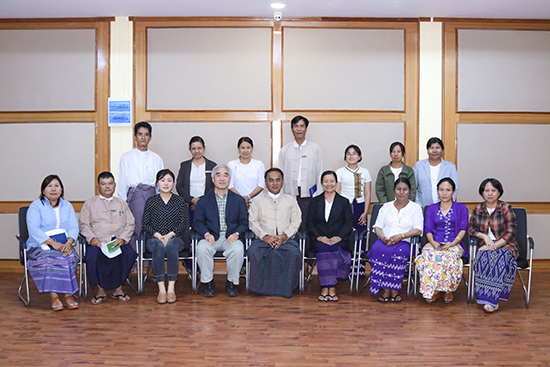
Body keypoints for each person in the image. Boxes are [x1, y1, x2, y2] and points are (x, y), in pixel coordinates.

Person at [79, 172, 137, 305]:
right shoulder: (89, 203)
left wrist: (123, 238)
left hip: (118, 242)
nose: (107, 187)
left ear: (114, 185)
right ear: (98, 186)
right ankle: (100, 291)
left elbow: (130, 223)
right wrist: (92, 238)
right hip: (98, 242)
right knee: (92, 256)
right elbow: (83, 224)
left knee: (129, 253)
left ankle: (118, 289)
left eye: (110, 184)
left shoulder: (122, 203)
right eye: (103, 184)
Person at [26, 175, 80, 311]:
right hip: (39, 246)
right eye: (49, 186)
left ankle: (68, 295)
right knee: (49, 258)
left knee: (70, 257)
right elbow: (34, 229)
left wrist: (69, 242)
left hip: (64, 245)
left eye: (56, 186)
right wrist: (52, 243)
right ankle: (54, 296)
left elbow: (74, 227)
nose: (53, 189)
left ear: (61, 190)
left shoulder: (67, 206)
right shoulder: (36, 206)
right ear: (43, 190)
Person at [194, 164, 248, 297]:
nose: (222, 178)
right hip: (211, 236)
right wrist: (206, 233)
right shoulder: (203, 201)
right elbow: (197, 222)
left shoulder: (239, 200)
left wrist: (236, 234)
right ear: (213, 179)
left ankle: (231, 282)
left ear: (230, 179)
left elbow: (244, 222)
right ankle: (208, 282)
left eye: (226, 175)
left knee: (237, 250)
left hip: (231, 236)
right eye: (218, 175)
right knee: (202, 249)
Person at [248, 168, 302, 298]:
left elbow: (296, 220)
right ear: (266, 183)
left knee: (294, 253)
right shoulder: (257, 200)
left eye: (278, 180)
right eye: (271, 180)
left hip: (286, 239)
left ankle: (286, 288)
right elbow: (252, 222)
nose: (275, 183)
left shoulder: (290, 200)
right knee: (253, 252)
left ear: (282, 181)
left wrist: (285, 236)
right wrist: (265, 237)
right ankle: (260, 289)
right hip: (263, 240)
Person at [367, 177, 423, 303]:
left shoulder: (415, 208)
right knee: (377, 250)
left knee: (397, 254)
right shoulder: (386, 207)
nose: (401, 192)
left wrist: (401, 236)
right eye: (399, 189)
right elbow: (377, 227)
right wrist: (383, 238)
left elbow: (418, 230)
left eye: (405, 189)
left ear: (409, 191)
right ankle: (387, 289)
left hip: (405, 241)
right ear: (394, 191)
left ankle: (392, 290)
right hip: (384, 240)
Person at [468, 178, 518, 313]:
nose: (490, 193)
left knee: (497, 258)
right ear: (482, 193)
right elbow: (471, 229)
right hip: (484, 244)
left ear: (499, 193)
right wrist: (484, 237)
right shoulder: (478, 208)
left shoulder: (506, 208)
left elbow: (511, 233)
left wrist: (495, 246)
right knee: (483, 256)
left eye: (493, 190)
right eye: (487, 190)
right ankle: (486, 297)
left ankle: (493, 301)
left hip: (505, 245)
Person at [416, 178, 468, 304]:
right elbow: (427, 229)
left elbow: (463, 229)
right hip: (434, 242)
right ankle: (433, 291)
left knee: (448, 257)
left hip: (454, 243)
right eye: (441, 190)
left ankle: (448, 290)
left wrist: (453, 243)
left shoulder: (461, 208)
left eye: (448, 190)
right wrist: (433, 243)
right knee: (427, 256)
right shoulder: (431, 208)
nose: (444, 193)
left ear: (454, 191)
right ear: (437, 191)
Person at [142, 169, 189, 304]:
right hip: (154, 238)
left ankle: (171, 288)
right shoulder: (151, 201)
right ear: (157, 183)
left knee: (171, 246)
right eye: (162, 180)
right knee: (158, 246)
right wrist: (158, 235)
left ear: (173, 183)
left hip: (176, 237)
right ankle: (161, 288)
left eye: (169, 180)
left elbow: (183, 223)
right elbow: (145, 223)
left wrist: (169, 235)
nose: (166, 183)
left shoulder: (179, 201)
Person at [306, 170, 353, 302]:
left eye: (332, 181)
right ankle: (327, 287)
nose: (329, 184)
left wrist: (339, 237)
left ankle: (330, 288)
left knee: (334, 248)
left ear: (336, 183)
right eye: (326, 181)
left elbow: (348, 223)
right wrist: (319, 237)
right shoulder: (315, 202)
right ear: (321, 184)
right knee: (324, 249)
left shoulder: (344, 202)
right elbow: (309, 222)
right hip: (319, 239)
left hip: (339, 239)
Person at [117, 121, 164, 249]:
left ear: (150, 137)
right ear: (135, 137)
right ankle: (134, 261)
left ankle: (149, 264)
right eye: (140, 134)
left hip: (151, 197)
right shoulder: (126, 157)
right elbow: (121, 183)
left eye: (146, 134)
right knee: (134, 228)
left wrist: (160, 203)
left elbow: (161, 183)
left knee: (152, 228)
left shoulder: (157, 158)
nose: (143, 137)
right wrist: (123, 204)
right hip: (134, 198)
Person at [278, 115, 323, 233]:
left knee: (307, 225)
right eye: (296, 126)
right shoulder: (285, 150)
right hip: (289, 193)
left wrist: (318, 195)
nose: (299, 129)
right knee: (289, 224)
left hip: (308, 194)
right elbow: (280, 174)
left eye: (301, 126)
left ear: (306, 128)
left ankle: (306, 251)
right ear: (292, 129)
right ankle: (291, 250)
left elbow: (320, 172)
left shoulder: (315, 149)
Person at [176, 136, 217, 225]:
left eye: (199, 148)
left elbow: (214, 186)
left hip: (207, 204)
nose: (197, 151)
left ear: (204, 148)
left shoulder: (212, 165)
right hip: (188, 205)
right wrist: (192, 200)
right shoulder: (184, 166)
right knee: (189, 230)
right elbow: (179, 186)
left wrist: (200, 201)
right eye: (193, 149)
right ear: (190, 150)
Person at [335, 144, 371, 232]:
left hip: (360, 206)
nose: (351, 156)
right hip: (344, 206)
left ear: (359, 157)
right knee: (345, 232)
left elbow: (367, 193)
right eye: (348, 154)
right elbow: (336, 192)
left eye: (354, 154)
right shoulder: (339, 172)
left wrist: (365, 212)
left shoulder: (365, 172)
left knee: (360, 232)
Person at [413, 137, 458, 207]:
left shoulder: (450, 167)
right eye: (431, 148)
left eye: (437, 148)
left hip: (444, 207)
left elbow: (455, 187)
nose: (434, 151)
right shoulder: (419, 166)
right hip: (423, 207)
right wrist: (418, 205)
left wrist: (448, 204)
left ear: (442, 150)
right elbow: (412, 187)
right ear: (427, 150)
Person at [227, 137, 265, 208]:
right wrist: (241, 199)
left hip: (256, 202)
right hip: (236, 202)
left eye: (248, 147)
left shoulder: (258, 164)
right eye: (242, 148)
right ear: (238, 149)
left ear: (252, 149)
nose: (245, 150)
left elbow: (261, 185)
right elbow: (230, 185)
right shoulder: (231, 164)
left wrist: (248, 197)